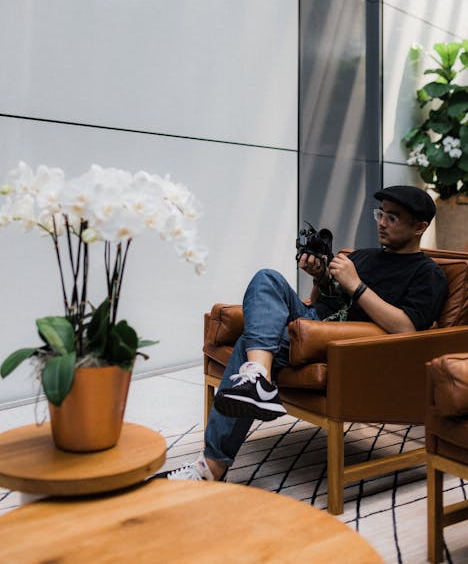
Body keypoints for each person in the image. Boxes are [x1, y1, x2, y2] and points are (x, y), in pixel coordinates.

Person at [160, 185, 449, 482]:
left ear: (420, 227)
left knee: (250, 341)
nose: (382, 222)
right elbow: (324, 300)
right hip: (314, 323)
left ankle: (213, 465)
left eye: (393, 217)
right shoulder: (363, 257)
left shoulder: (428, 274)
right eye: (380, 214)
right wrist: (320, 277)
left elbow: (407, 328)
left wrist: (355, 285)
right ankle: (257, 374)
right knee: (267, 277)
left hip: (342, 343)